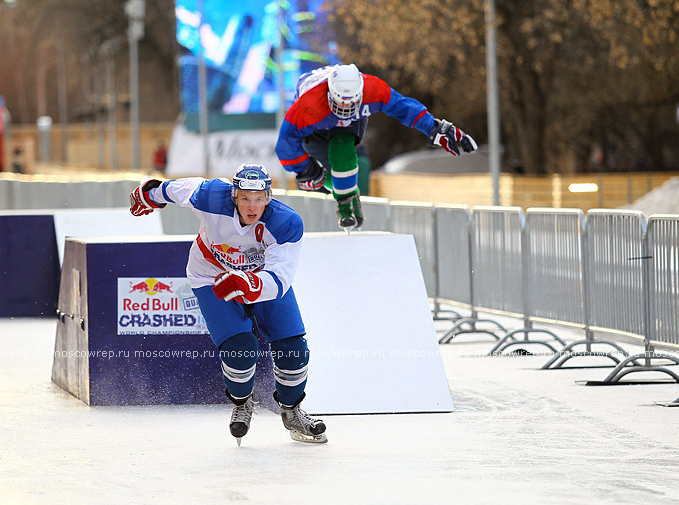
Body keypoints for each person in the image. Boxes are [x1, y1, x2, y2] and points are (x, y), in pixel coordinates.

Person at [129, 163, 327, 446]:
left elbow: (281, 277)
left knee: (293, 348)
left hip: (261, 280)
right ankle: (242, 402)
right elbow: (176, 189)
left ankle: (292, 410)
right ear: (234, 195)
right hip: (211, 276)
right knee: (240, 349)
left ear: (269, 197)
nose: (252, 206)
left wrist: (247, 284)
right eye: (245, 197)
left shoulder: (286, 223)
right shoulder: (211, 195)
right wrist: (149, 194)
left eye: (259, 199)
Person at [275, 63, 478, 229]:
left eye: (350, 102)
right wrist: (304, 168)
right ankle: (344, 193)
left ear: (361, 94)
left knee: (342, 150)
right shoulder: (307, 105)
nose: (345, 108)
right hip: (316, 126)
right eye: (340, 102)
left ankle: (345, 203)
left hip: (347, 123)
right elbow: (285, 144)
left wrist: (434, 127)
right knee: (319, 176)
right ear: (329, 94)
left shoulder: (373, 89)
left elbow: (403, 107)